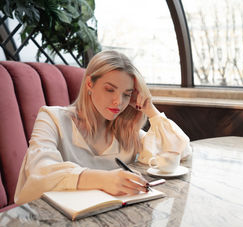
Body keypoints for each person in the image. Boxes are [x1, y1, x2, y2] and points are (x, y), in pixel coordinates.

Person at [14, 50, 191, 205]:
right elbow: (39, 172)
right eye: (110, 89)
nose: (118, 102)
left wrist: (150, 110)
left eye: (126, 94)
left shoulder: (126, 130)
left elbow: (180, 151)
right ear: (90, 84)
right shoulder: (52, 118)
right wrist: (102, 179)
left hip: (107, 221)